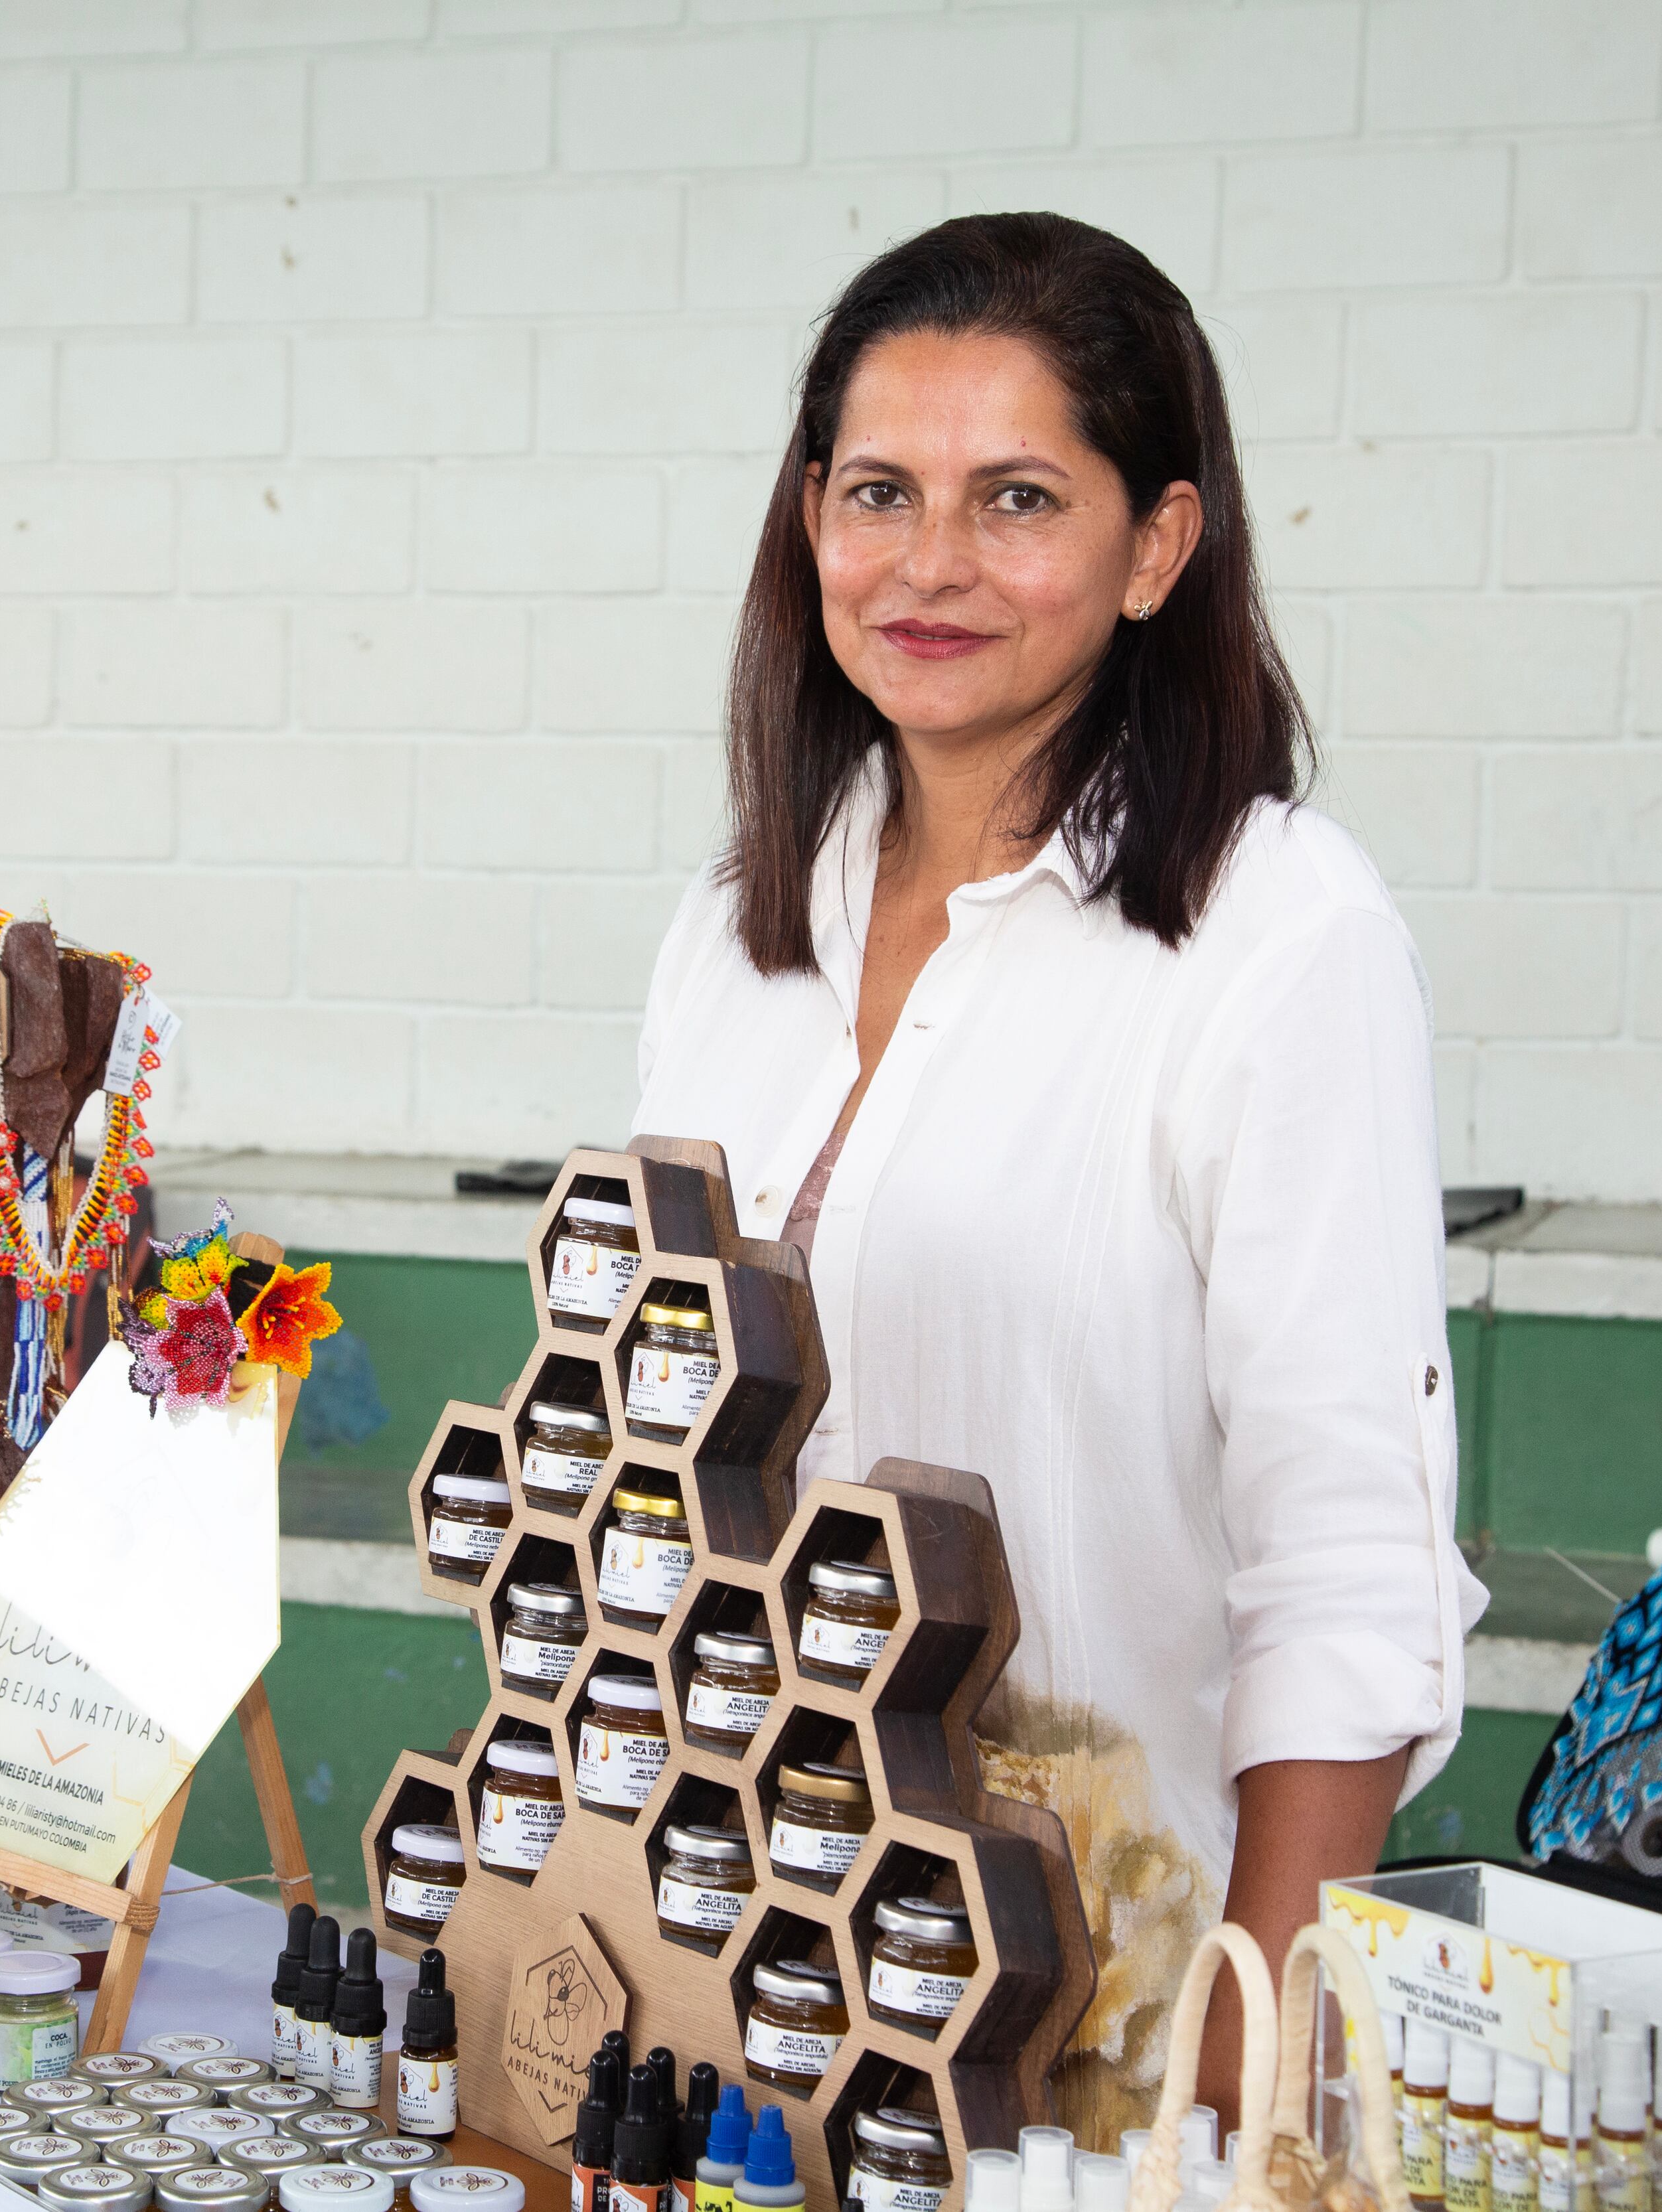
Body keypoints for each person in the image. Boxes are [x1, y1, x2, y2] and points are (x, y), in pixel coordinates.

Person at [631, 213, 1486, 2142]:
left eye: (1018, 497)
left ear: (1156, 546)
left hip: (1113, 2003)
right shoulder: (734, 929)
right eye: (879, 493)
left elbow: (1347, 1558)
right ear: (807, 520)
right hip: (754, 1949)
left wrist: (1244, 2072)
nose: (930, 564)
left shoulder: (1278, 935)